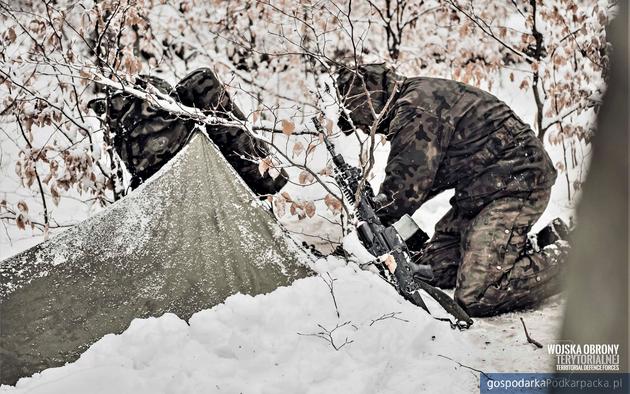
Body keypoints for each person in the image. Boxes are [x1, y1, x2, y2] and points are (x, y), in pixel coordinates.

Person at [336, 63, 569, 317]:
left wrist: (375, 211)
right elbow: (427, 178)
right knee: (431, 267)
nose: (360, 129)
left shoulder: (415, 108)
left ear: (367, 103)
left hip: (518, 181)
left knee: (478, 293)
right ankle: (520, 248)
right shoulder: (412, 98)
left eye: (357, 120)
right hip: (482, 190)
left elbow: (406, 189)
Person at [90, 68, 287, 196]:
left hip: (157, 195)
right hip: (214, 187)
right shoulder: (196, 94)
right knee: (203, 82)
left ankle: (268, 185)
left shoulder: (123, 127)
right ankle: (268, 185)